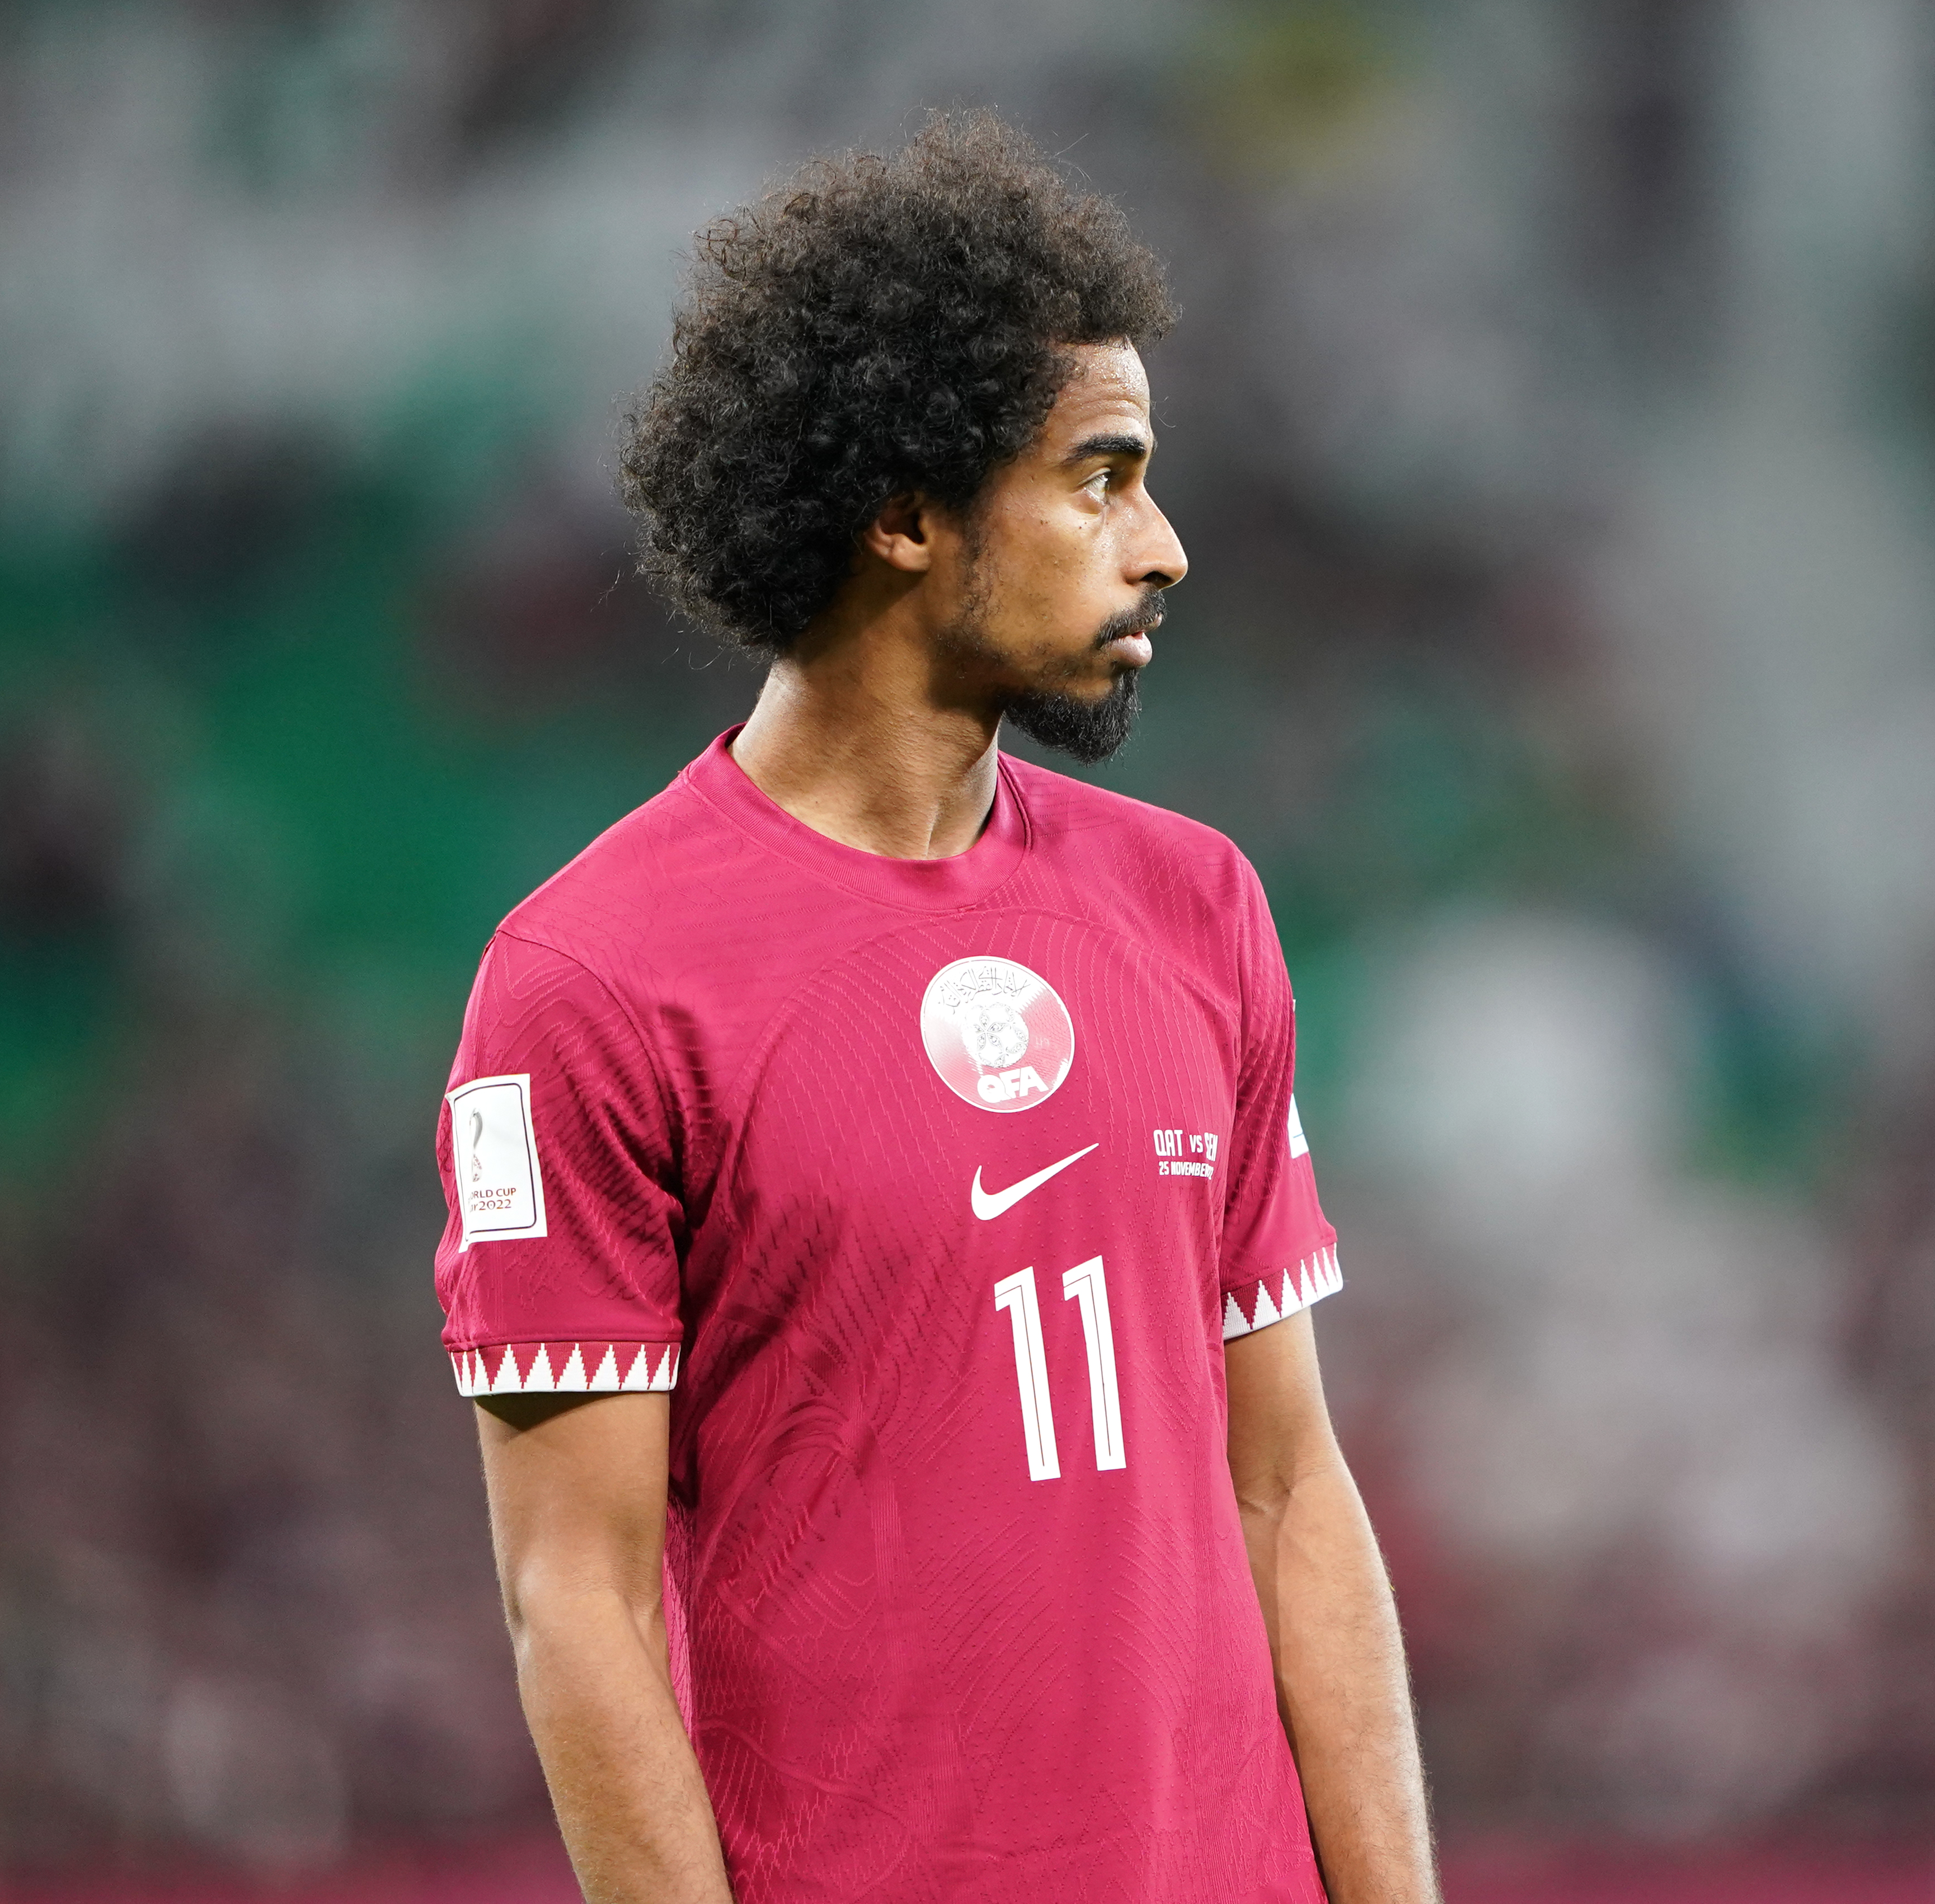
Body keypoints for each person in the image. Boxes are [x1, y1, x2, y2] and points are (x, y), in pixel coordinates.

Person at [431, 113, 1437, 1904]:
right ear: (904, 513)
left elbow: (1289, 1491)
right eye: (1102, 477)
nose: (1166, 548)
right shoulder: (590, 984)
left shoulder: (1199, 906)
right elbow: (570, 1601)